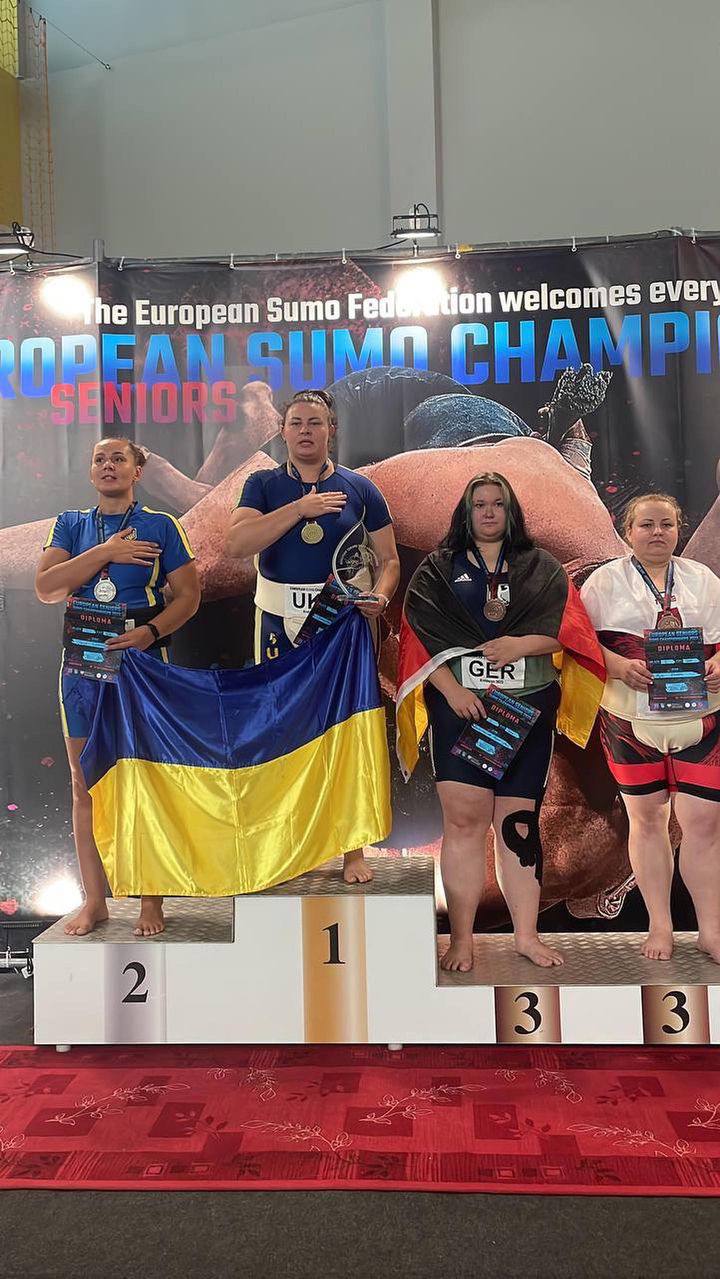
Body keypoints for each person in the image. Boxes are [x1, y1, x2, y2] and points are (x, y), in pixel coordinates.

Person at [398, 471, 604, 970]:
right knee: (464, 823)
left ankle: (526, 937)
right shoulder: (437, 569)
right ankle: (461, 939)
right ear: (465, 513)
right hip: (460, 711)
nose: (489, 512)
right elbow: (418, 636)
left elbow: (571, 633)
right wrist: (452, 691)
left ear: (511, 513)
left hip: (526, 710)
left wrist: (522, 644)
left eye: (498, 504)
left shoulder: (542, 567)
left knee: (519, 824)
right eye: (480, 504)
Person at [225, 388, 400, 883]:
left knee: (347, 731)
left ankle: (353, 848)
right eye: (296, 422)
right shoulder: (262, 484)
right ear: (282, 431)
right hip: (277, 623)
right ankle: (283, 847)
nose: (305, 431)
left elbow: (389, 561)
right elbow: (237, 543)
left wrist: (381, 596)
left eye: (315, 422)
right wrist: (300, 509)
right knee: (279, 731)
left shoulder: (360, 488)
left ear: (331, 430)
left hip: (342, 626)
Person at [35, 437, 200, 937]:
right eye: (99, 459)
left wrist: (151, 631)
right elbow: (47, 587)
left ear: (137, 470)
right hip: (84, 656)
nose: (108, 466)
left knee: (145, 777)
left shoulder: (161, 525)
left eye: (118, 458)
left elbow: (189, 596)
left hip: (143, 657)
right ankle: (95, 900)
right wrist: (106, 552)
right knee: (83, 781)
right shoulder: (70, 524)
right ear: (91, 472)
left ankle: (151, 899)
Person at [580, 493, 720, 962]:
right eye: (646, 525)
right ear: (628, 531)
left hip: (701, 721)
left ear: (679, 530)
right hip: (629, 723)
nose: (657, 532)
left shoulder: (703, 579)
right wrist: (616, 664)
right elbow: (576, 644)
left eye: (666, 524)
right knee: (646, 822)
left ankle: (711, 930)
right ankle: (660, 925)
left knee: (704, 826)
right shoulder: (603, 582)